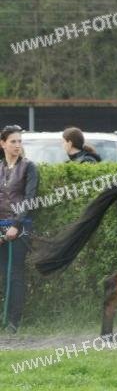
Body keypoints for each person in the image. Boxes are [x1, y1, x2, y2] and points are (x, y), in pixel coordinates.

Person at [0, 125, 39, 333]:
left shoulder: (29, 167)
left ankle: (13, 322)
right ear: (3, 144)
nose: (17, 145)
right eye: (13, 141)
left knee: (14, 274)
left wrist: (15, 225)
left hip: (20, 228)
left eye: (19, 141)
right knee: (3, 274)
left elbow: (29, 199)